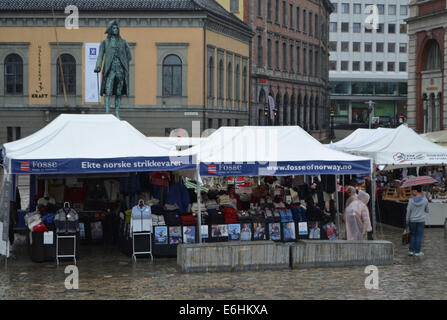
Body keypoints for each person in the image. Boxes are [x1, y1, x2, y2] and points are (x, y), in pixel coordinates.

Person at [94, 20, 132, 118]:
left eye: (117, 28)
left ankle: (116, 111)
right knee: (108, 89)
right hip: (110, 69)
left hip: (120, 69)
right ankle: (107, 111)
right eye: (113, 28)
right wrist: (98, 66)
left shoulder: (123, 42)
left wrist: (124, 59)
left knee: (119, 91)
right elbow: (100, 56)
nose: (116, 29)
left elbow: (129, 56)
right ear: (110, 30)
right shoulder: (105, 42)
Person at [406, 185, 429, 257]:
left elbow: (408, 211)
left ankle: (411, 251)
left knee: (413, 235)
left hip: (412, 220)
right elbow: (427, 210)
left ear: (415, 191)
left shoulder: (411, 200)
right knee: (419, 236)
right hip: (421, 220)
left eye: (412, 190)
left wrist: (407, 220)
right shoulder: (425, 200)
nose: (412, 192)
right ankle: (417, 252)